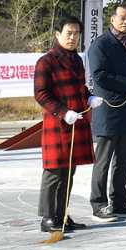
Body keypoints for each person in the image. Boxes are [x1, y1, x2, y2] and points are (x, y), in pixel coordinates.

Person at [34, 15, 94, 233]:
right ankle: (48, 218)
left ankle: (62, 215)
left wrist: (89, 97)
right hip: (57, 124)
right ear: (57, 34)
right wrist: (62, 111)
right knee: (54, 172)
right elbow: (41, 94)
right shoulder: (46, 61)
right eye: (68, 33)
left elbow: (81, 87)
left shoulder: (77, 59)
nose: (72, 37)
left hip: (76, 123)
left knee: (69, 171)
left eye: (76, 33)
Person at [87, 3, 126, 221]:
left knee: (124, 159)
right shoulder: (101, 44)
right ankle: (99, 204)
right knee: (104, 160)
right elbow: (100, 75)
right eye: (122, 17)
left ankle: (119, 202)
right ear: (112, 19)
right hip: (110, 110)